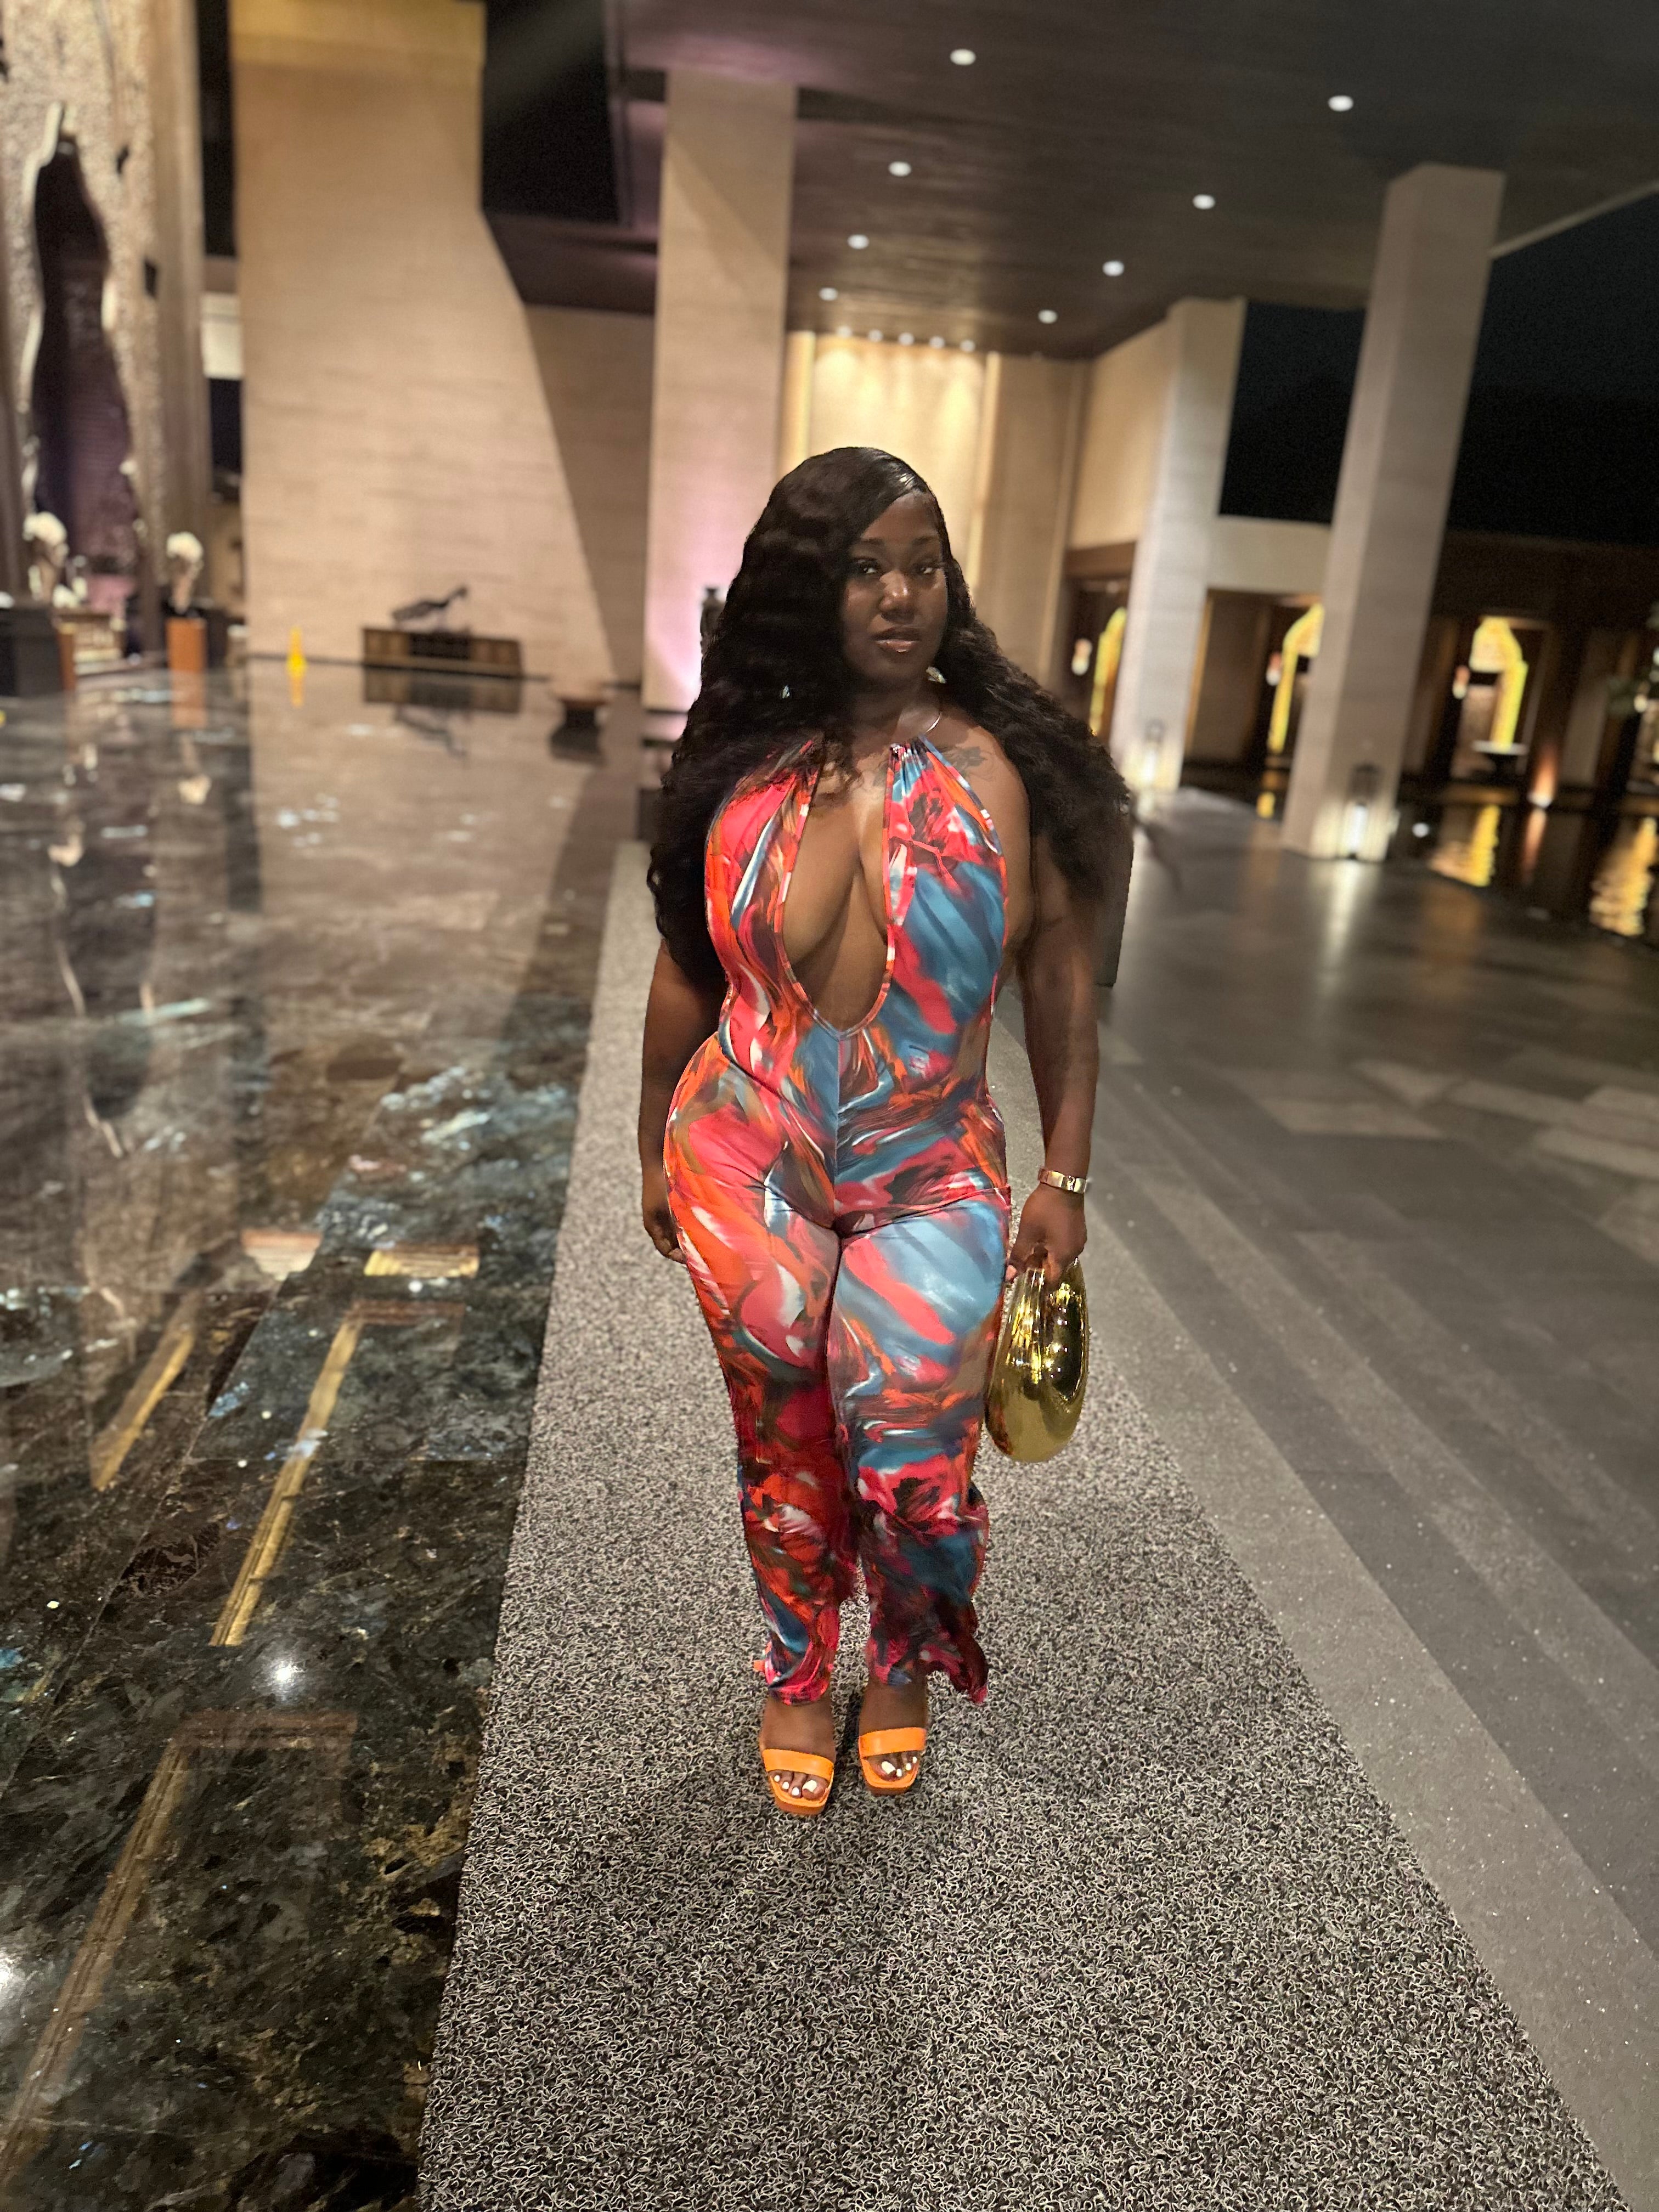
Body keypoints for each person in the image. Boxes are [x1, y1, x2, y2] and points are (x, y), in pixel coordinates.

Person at [639, 447, 1130, 1816]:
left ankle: (905, 1653)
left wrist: (1067, 1171)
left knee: (913, 1451)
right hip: (747, 1147)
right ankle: (800, 1665)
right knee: (784, 1433)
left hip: (930, 1164)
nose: (901, 596)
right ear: (810, 585)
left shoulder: (1005, 771)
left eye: (924, 567)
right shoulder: (743, 766)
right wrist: (646, 1141)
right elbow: (685, 968)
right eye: (865, 568)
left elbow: (1061, 988)